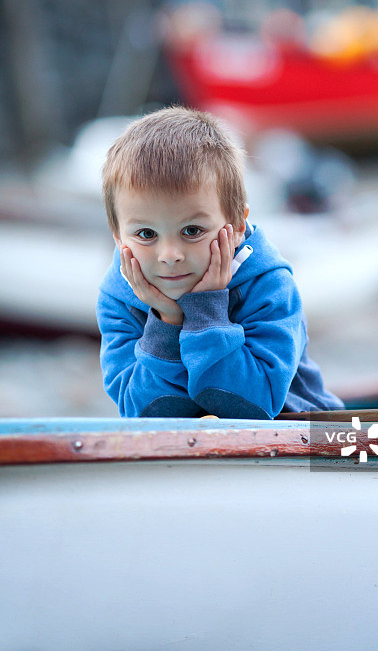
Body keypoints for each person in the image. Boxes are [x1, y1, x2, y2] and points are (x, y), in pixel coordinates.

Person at [97, 105, 344, 419]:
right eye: (146, 233)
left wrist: (205, 311)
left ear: (238, 225)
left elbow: (252, 407)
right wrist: (167, 323)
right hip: (189, 459)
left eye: (192, 230)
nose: (169, 254)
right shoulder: (119, 298)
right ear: (118, 236)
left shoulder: (268, 284)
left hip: (303, 436)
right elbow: (146, 415)